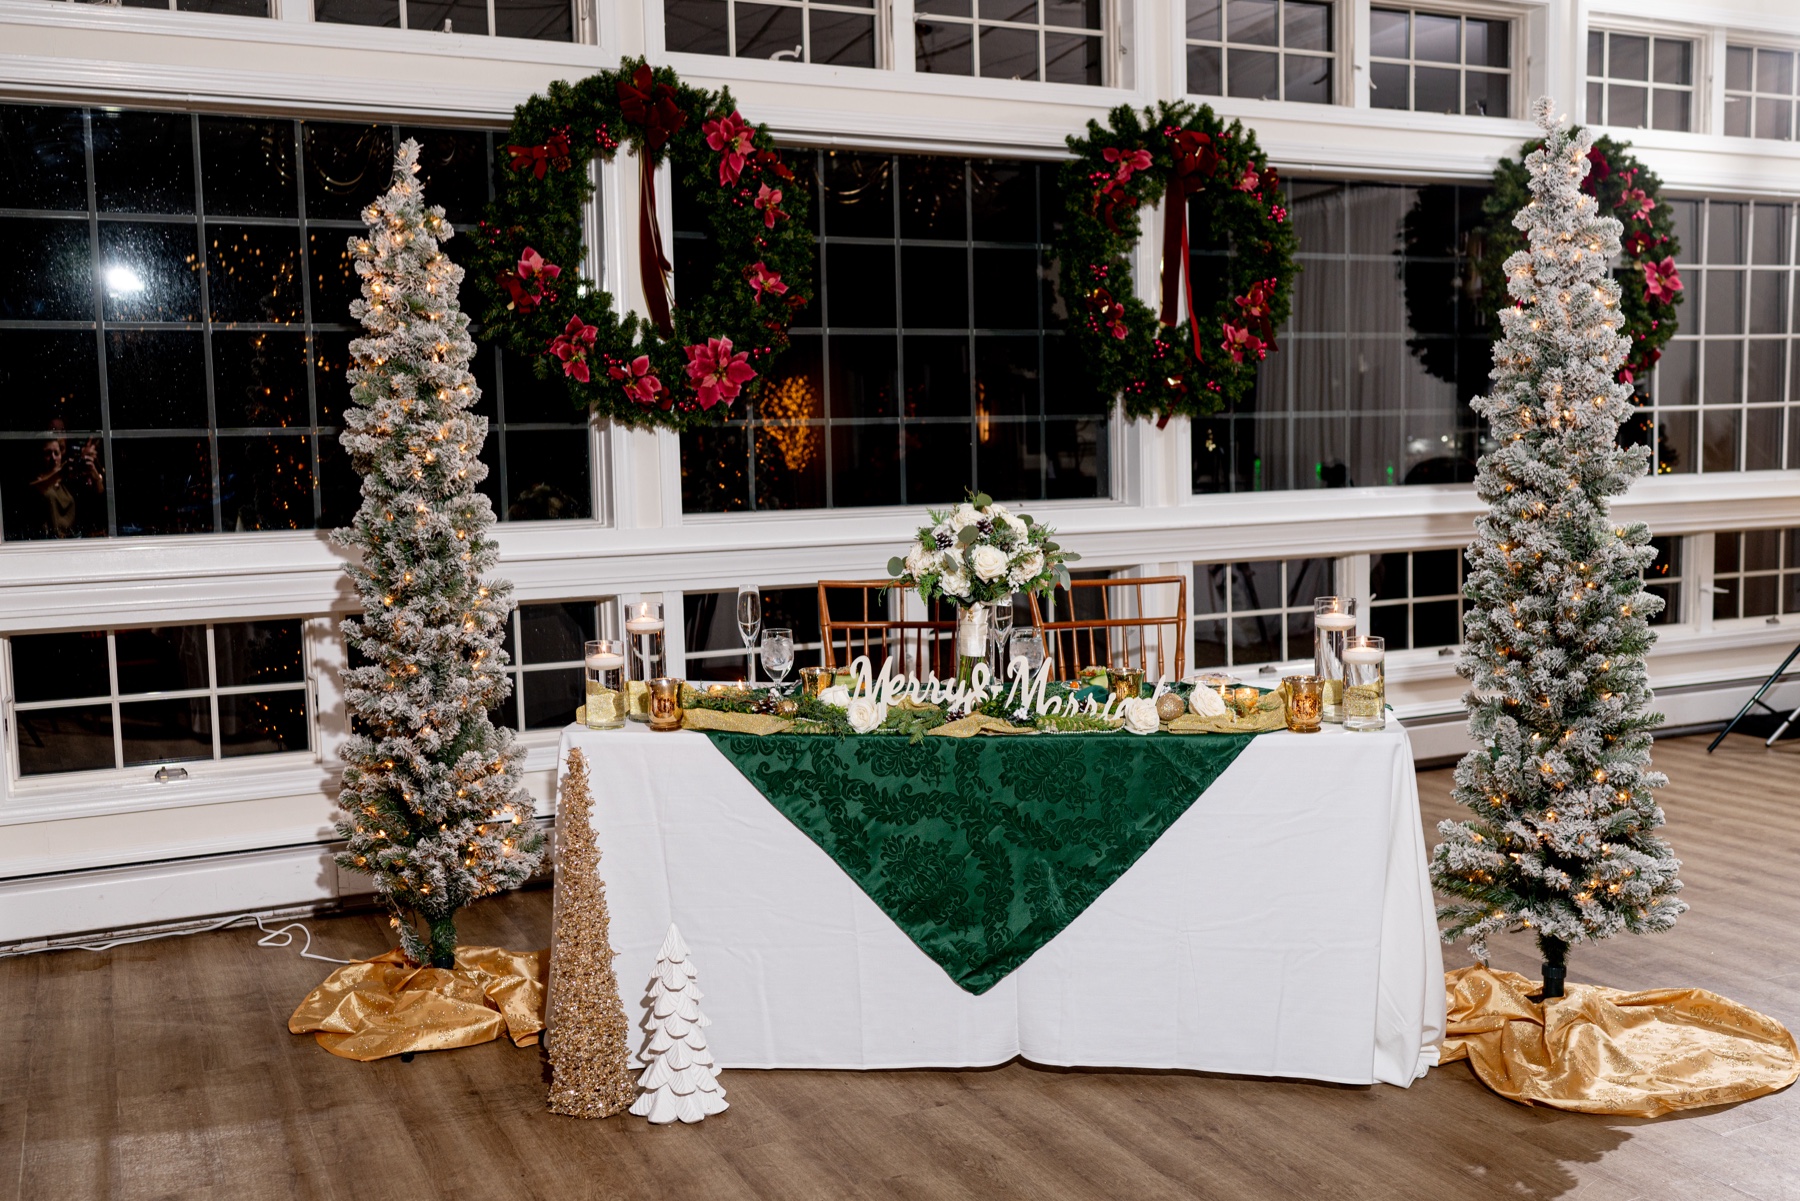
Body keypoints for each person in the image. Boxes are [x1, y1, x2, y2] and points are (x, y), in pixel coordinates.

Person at [26, 422, 105, 538]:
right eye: (48, 453)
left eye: (56, 453)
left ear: (61, 454)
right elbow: (34, 491)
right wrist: (59, 474)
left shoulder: (67, 481)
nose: (53, 458)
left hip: (70, 540)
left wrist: (93, 472)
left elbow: (99, 496)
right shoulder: (38, 480)